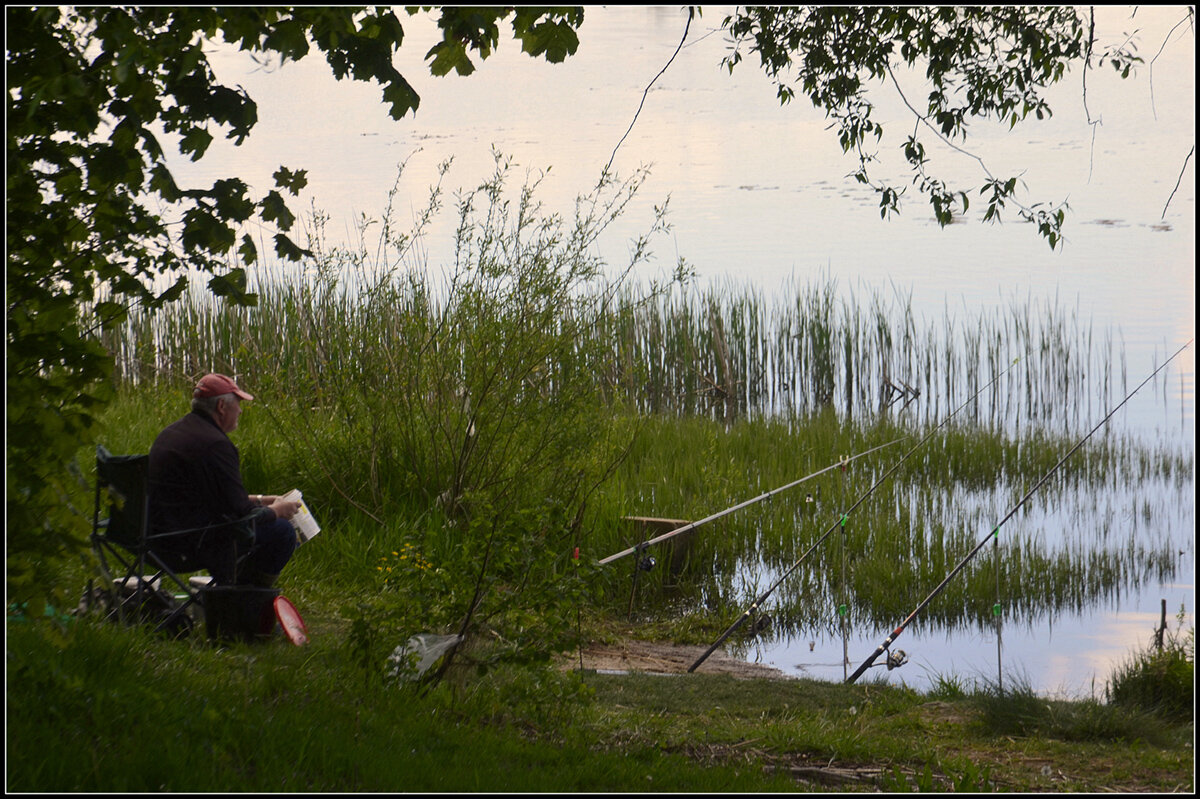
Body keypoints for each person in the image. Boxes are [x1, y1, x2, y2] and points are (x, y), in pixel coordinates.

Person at [147, 373, 299, 587]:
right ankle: (245, 600)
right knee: (282, 532)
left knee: (268, 523)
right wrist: (277, 511)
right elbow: (241, 516)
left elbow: (215, 498)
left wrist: (263, 500)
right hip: (189, 544)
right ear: (221, 406)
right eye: (238, 404)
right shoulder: (216, 445)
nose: (240, 410)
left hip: (155, 539)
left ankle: (234, 594)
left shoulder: (171, 434)